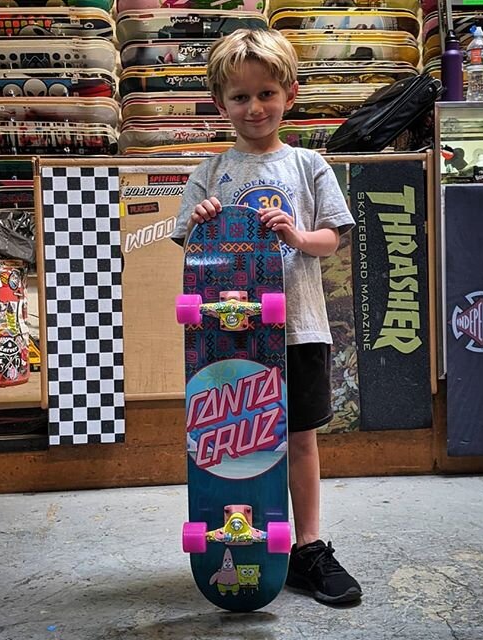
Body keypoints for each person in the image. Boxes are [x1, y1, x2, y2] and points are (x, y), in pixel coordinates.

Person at [171, 28, 362, 605]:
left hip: (298, 326)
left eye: (266, 94)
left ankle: (307, 547)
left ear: (290, 94)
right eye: (239, 97)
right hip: (226, 339)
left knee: (299, 439)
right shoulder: (210, 170)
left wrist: (299, 236)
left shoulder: (308, 164)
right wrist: (204, 220)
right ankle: (245, 539)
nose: (254, 108)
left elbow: (333, 238)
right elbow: (189, 244)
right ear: (219, 103)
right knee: (236, 439)